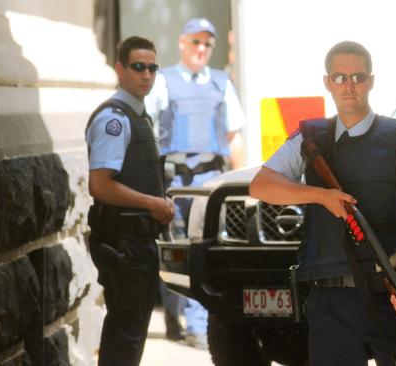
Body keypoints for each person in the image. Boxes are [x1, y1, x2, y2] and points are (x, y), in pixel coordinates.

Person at [249, 41, 396, 366]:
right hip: (330, 298)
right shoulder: (309, 138)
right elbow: (261, 185)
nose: (349, 86)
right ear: (327, 82)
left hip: (388, 290)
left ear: (371, 81)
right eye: (339, 77)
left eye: (358, 77)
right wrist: (321, 195)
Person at [145, 17, 247, 348]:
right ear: (182, 43)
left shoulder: (221, 82)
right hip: (174, 181)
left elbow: (234, 136)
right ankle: (175, 316)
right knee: (176, 250)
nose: (201, 49)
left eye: (207, 44)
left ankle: (199, 324)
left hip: (210, 181)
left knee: (203, 249)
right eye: (196, 42)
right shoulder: (163, 81)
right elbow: (148, 132)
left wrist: (240, 185)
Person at [86, 36, 174, 366]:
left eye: (152, 68)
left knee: (131, 332)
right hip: (124, 243)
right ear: (120, 68)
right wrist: (152, 203)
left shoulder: (139, 115)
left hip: (136, 241)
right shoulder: (115, 119)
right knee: (126, 335)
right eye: (138, 67)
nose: (146, 75)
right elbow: (101, 185)